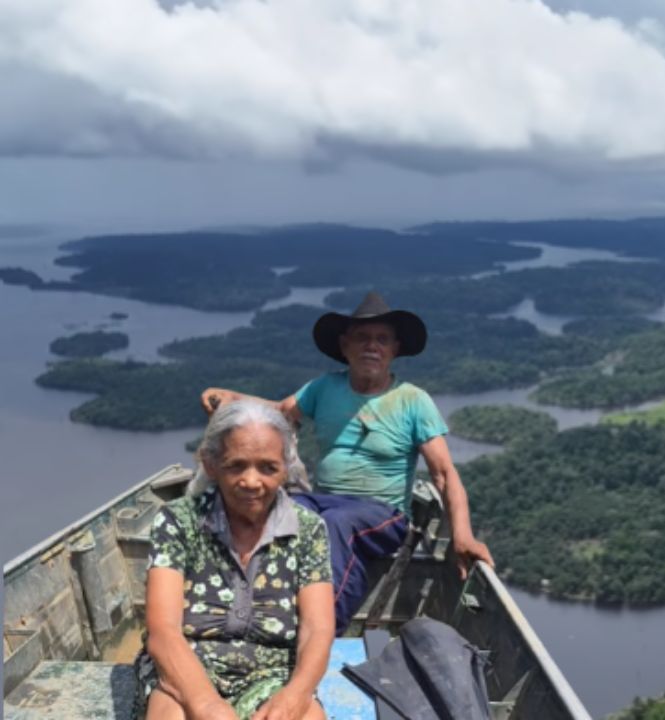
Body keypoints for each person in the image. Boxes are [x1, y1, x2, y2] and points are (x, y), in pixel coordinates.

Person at [200, 292, 493, 634]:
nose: (372, 347)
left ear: (395, 349)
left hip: (383, 513)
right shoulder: (325, 387)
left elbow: (444, 475)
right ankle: (234, 609)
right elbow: (281, 412)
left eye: (382, 340)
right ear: (345, 346)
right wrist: (233, 398)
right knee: (265, 507)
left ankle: (322, 631)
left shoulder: (413, 401)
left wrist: (463, 536)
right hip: (324, 500)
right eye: (362, 338)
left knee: (335, 524)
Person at [136, 401, 334, 720]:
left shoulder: (309, 530)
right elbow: (163, 630)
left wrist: (293, 697)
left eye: (268, 468)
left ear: (286, 467)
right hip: (186, 667)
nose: (252, 482)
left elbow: (317, 629)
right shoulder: (177, 520)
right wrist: (207, 705)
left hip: (275, 672)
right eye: (236, 466)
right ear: (211, 464)